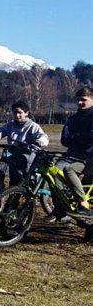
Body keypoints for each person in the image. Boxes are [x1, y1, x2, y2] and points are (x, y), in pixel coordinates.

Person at [0, 100, 48, 185]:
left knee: (23, 178)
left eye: (20, 112)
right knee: (12, 175)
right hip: (13, 154)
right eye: (15, 112)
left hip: (27, 156)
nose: (17, 115)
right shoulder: (10, 125)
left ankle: (26, 185)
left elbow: (44, 137)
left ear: (26, 113)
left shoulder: (33, 126)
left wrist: (38, 142)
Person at [57, 87, 93, 221]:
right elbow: (64, 140)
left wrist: (75, 138)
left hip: (88, 158)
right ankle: (61, 207)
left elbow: (90, 139)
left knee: (69, 170)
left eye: (83, 100)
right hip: (72, 155)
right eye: (78, 100)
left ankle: (83, 206)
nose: (79, 103)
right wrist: (79, 138)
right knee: (54, 172)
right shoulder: (72, 118)